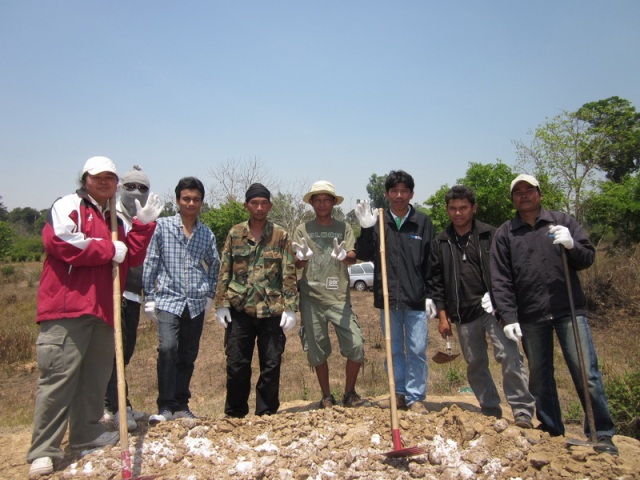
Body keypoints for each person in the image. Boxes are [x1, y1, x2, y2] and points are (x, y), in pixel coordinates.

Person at [27, 156, 157, 478]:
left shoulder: (116, 220)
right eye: (97, 177)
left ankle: (85, 434)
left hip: (104, 309)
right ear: (85, 178)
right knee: (58, 379)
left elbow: (130, 256)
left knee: (94, 379)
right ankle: (44, 450)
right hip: (67, 308)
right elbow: (60, 242)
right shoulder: (68, 206)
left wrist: (142, 227)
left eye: (110, 177)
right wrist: (108, 249)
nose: (104, 182)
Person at [490, 174, 618, 455]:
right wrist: (508, 316)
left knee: (586, 372)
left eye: (529, 190)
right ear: (513, 199)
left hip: (568, 311)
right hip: (531, 314)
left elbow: (587, 258)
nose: (524, 195)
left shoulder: (562, 221)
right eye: (518, 192)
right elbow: (500, 280)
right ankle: (551, 429)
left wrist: (572, 245)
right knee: (540, 377)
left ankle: (601, 433)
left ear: (539, 193)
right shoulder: (506, 233)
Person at [428, 185, 535, 427]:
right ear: (447, 210)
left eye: (463, 208)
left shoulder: (491, 235)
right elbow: (436, 281)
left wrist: (501, 300)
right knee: (475, 363)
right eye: (453, 208)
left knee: (509, 356)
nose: (458, 213)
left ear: (473, 208)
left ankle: (522, 411)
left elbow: (508, 271)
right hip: (462, 312)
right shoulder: (441, 241)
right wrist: (443, 317)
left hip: (494, 309)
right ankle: (489, 408)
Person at [355, 170, 436, 412]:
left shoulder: (422, 222)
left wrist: (432, 295)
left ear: (411, 194)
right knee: (393, 349)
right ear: (387, 194)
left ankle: (415, 397)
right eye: (394, 191)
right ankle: (397, 393)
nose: (399, 195)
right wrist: (366, 229)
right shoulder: (380, 221)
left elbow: (431, 261)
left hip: (416, 299)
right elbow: (364, 254)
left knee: (417, 350)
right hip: (388, 298)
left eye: (404, 191)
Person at [214, 183, 298, 418]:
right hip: (240, 308)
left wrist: (290, 308)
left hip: (272, 310)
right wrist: (221, 303)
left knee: (271, 365)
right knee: (236, 365)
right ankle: (235, 414)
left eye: (263, 203)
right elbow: (225, 268)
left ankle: (266, 414)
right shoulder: (235, 233)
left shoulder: (280, 235)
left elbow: (289, 272)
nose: (259, 207)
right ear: (246, 205)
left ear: (270, 206)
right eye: (254, 203)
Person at [143, 176, 220, 425]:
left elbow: (215, 265)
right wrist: (149, 296)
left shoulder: (206, 233)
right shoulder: (162, 227)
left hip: (195, 302)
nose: (191, 203)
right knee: (167, 349)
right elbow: (151, 261)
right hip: (168, 299)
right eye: (186, 199)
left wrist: (209, 295)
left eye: (196, 199)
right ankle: (165, 405)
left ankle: (181, 404)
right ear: (178, 200)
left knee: (188, 354)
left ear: (201, 202)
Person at [293, 180, 367, 409]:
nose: (322, 204)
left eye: (327, 199)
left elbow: (353, 258)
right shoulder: (303, 229)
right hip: (311, 298)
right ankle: (326, 396)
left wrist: (344, 256)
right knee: (317, 350)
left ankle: (349, 393)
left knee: (356, 345)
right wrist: (302, 257)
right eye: (317, 200)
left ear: (334, 202)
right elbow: (296, 263)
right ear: (312, 203)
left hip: (339, 298)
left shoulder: (343, 227)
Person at [103, 165, 163, 431]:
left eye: (142, 187)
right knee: (114, 352)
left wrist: (149, 294)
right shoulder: (110, 215)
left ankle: (117, 403)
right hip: (112, 294)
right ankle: (115, 407)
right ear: (120, 188)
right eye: (130, 186)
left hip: (133, 295)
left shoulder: (146, 218)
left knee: (124, 353)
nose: (136, 192)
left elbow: (148, 260)